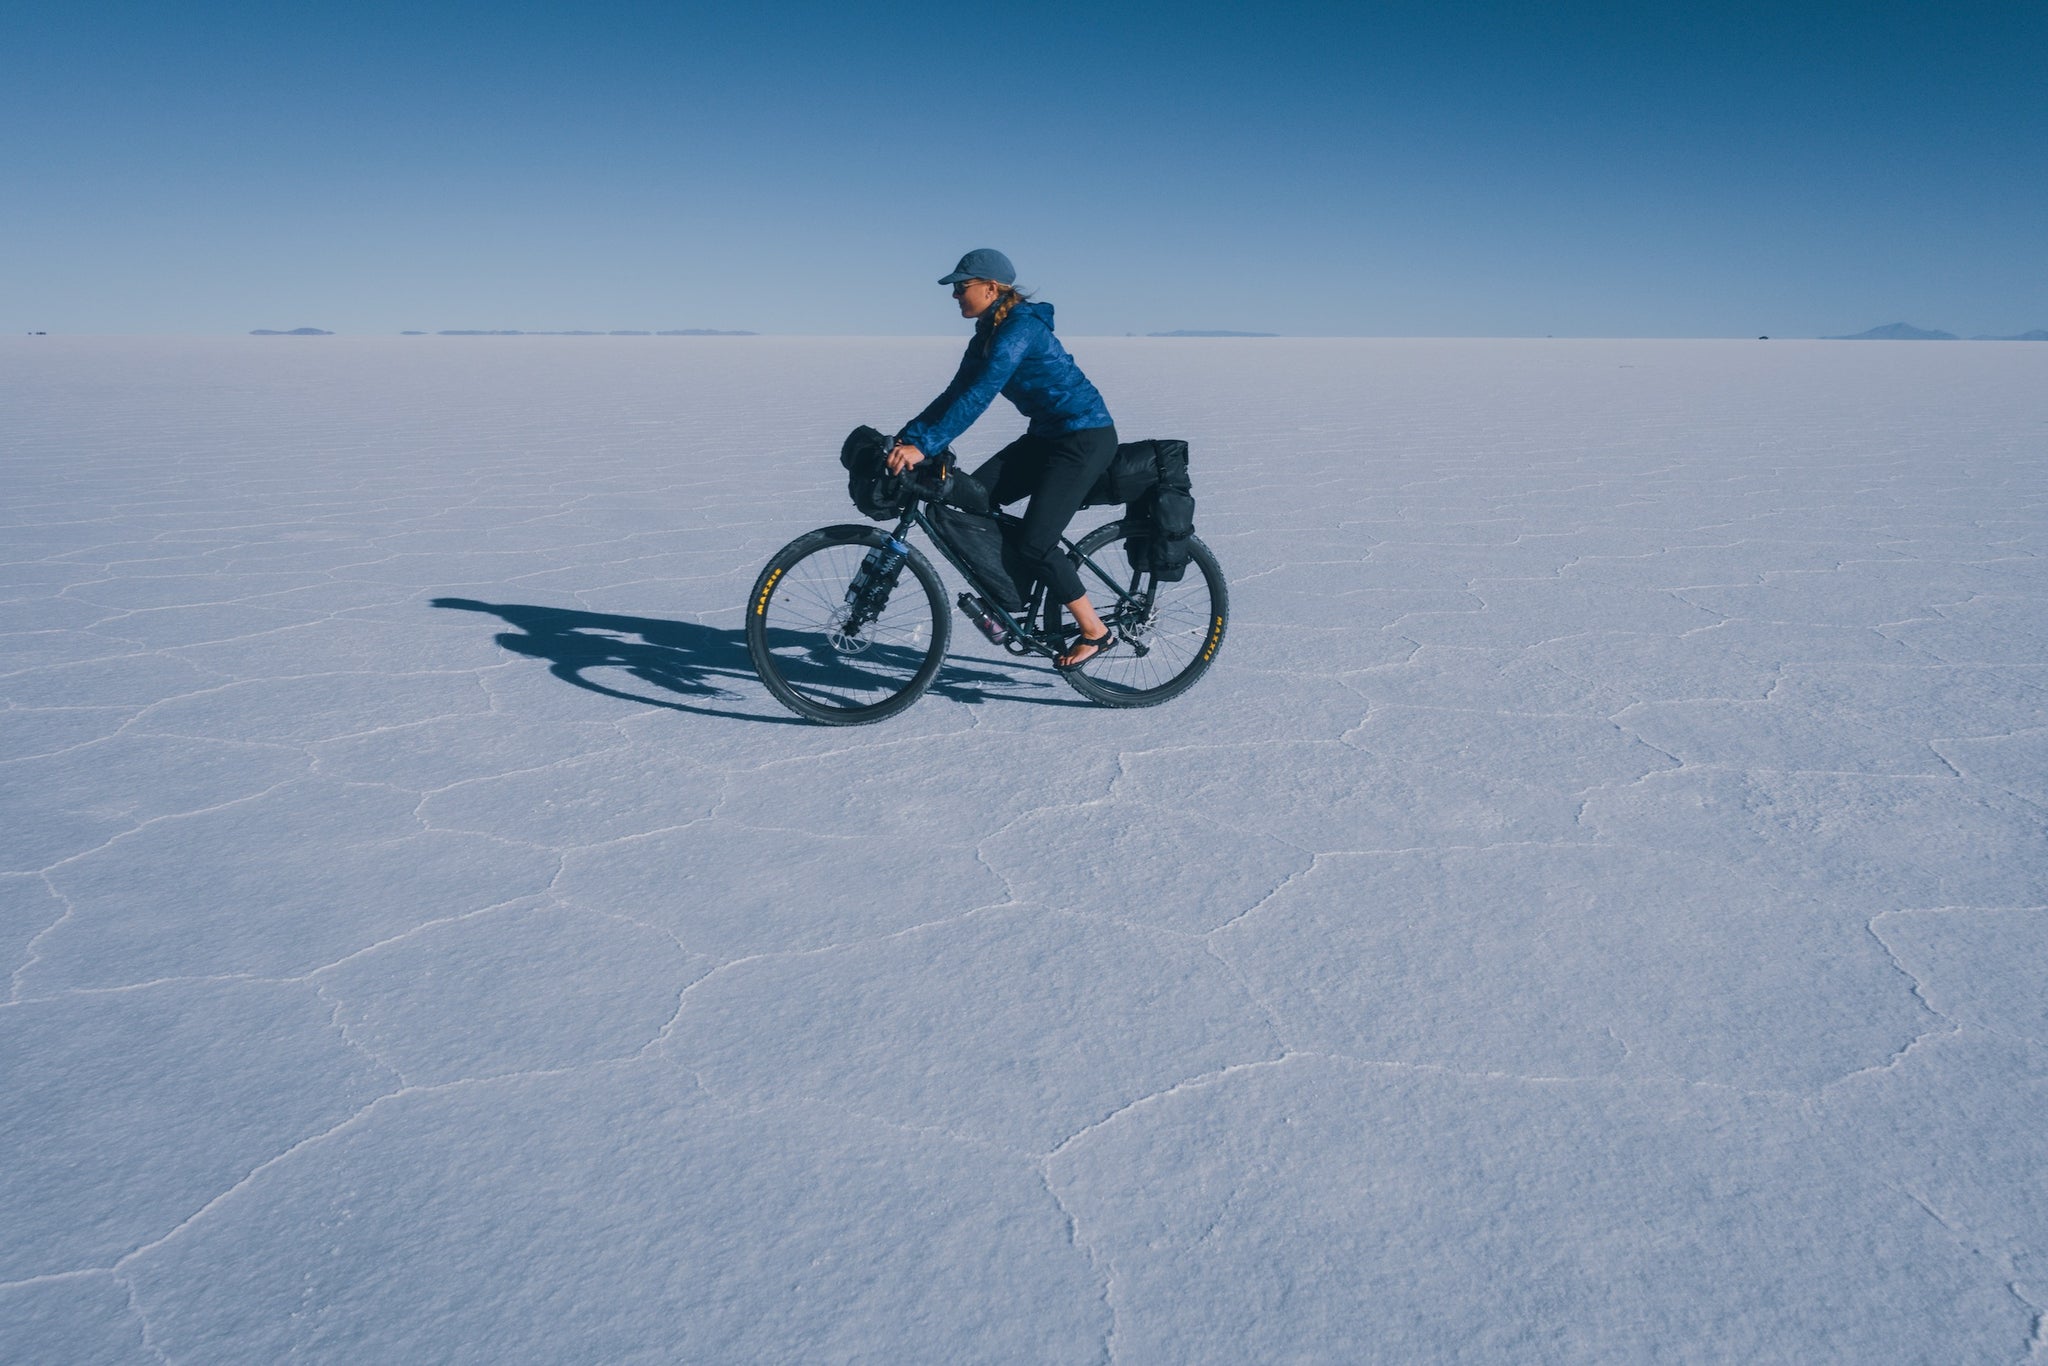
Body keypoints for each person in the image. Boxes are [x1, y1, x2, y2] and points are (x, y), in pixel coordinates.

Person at [886, 249, 1120, 669]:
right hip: (1045, 437)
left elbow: (981, 394)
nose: (955, 295)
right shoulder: (987, 332)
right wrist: (909, 436)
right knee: (970, 497)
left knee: (1036, 541)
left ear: (992, 287)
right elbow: (956, 392)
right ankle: (1015, 588)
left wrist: (926, 446)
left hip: (1084, 438)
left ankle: (1094, 631)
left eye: (962, 287)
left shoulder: (1020, 328)